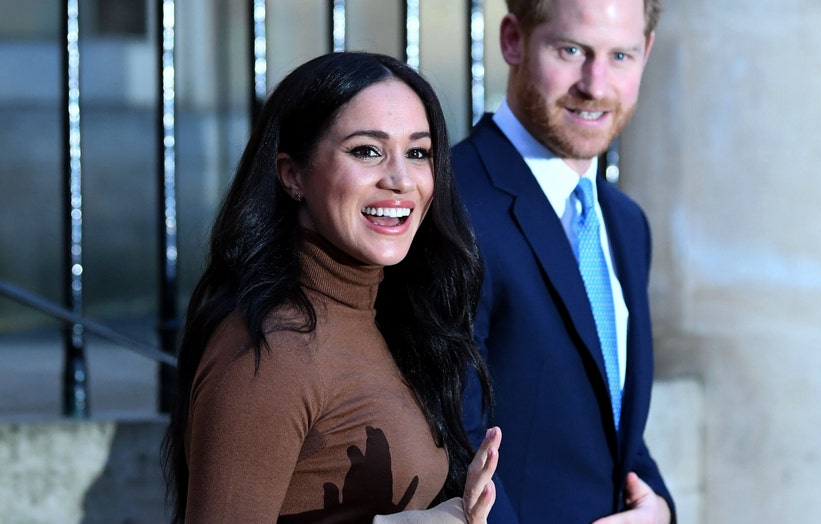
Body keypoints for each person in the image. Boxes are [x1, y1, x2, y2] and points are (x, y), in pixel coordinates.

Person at [161, 51, 502, 523]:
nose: (401, 179)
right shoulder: (273, 353)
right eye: (367, 151)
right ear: (292, 174)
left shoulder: (385, 317)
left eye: (418, 152)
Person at [452, 0, 675, 522]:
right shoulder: (452, 203)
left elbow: (612, 426)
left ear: (646, 53)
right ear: (513, 40)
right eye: (571, 50)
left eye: (620, 55)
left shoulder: (625, 223)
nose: (595, 85)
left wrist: (660, 510)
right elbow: (450, 437)